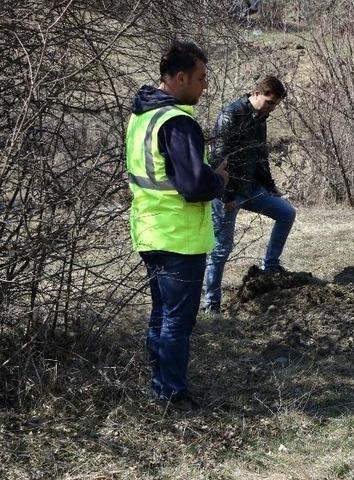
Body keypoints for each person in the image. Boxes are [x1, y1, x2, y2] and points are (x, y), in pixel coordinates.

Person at [126, 40, 228, 409]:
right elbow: (194, 186)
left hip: (149, 230)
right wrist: (219, 180)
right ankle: (172, 394)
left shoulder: (141, 116)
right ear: (180, 78)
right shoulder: (176, 122)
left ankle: (160, 386)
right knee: (176, 321)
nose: (204, 85)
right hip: (177, 237)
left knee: (161, 314)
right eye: (200, 78)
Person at [202, 76, 296, 315]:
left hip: (251, 188)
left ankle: (270, 266)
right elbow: (218, 156)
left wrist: (270, 185)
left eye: (275, 105)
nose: (271, 108)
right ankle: (211, 304)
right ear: (256, 93)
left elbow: (261, 155)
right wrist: (225, 195)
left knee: (286, 213)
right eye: (269, 102)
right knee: (222, 248)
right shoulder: (230, 114)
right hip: (228, 191)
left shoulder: (261, 118)